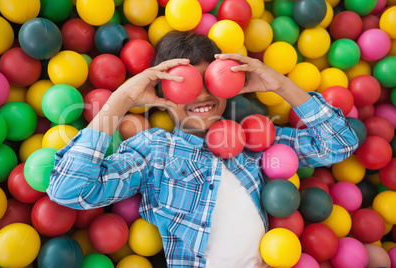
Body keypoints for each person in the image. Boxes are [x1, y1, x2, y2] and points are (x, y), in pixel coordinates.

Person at [47, 31, 358, 268]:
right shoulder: (155, 149)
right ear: (162, 90)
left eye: (211, 81)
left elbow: (338, 144)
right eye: (186, 84)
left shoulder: (253, 138)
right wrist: (122, 98)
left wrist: (281, 85)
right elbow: (69, 189)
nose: (202, 95)